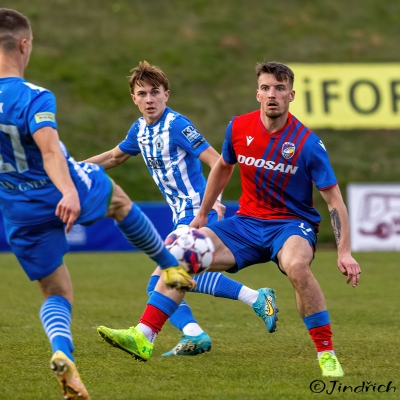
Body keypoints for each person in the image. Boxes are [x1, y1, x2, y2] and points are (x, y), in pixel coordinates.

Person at [98, 61, 361, 378]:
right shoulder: (238, 127)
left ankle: (326, 352)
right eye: (266, 88)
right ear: (257, 94)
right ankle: (145, 335)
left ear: (291, 95)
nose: (272, 94)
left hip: (291, 224)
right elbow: (222, 166)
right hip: (246, 223)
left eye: (279, 88)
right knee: (182, 254)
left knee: (296, 266)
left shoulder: (307, 144)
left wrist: (344, 251)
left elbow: (334, 200)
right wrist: (202, 214)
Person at [0, 9, 186, 400]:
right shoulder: (33, 96)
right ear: (24, 44)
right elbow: (50, 152)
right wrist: (68, 191)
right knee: (118, 200)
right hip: (55, 187)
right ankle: (170, 266)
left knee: (56, 293)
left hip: (16, 205)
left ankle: (64, 355)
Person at [86, 61, 278, 357]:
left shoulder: (177, 125)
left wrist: (215, 198)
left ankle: (158, 335)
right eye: (142, 94)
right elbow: (114, 157)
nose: (149, 99)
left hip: (198, 211)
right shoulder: (139, 130)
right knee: (169, 278)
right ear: (134, 98)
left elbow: (218, 161)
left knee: (163, 278)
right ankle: (211, 322)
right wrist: (73, 168)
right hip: (181, 215)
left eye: (155, 92)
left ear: (166, 94)